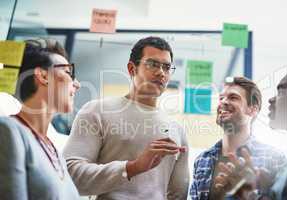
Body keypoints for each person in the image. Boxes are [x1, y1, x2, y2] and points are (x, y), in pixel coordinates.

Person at [63, 36, 189, 200]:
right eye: (152, 64)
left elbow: (178, 193)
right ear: (132, 69)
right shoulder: (97, 111)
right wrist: (132, 167)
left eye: (167, 67)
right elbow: (70, 175)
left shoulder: (177, 130)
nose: (161, 73)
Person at [0, 38, 81, 200]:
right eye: (68, 73)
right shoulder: (9, 131)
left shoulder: (55, 152)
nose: (77, 84)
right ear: (43, 76)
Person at [189, 77, 286, 200]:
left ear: (253, 109)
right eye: (221, 98)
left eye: (233, 97)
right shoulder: (202, 160)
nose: (223, 102)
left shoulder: (273, 158)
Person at [213, 68, 287, 200]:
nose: (271, 99)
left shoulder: (276, 158)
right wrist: (263, 189)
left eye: (282, 92)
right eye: (221, 98)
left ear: (253, 109)